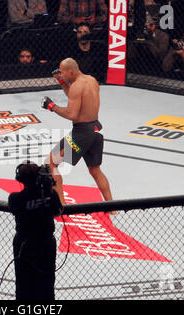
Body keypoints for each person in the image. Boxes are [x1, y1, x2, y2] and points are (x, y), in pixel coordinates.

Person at [41, 58, 115, 214]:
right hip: (96, 128)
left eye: (62, 72)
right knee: (95, 170)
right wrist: (62, 82)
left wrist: (51, 106)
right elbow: (76, 98)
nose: (60, 73)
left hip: (82, 132)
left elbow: (72, 113)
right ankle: (112, 208)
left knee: (50, 164)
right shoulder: (91, 80)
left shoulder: (76, 86)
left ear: (71, 71)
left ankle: (61, 207)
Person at [8, 161, 63, 300]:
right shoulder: (50, 195)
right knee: (47, 283)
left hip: (24, 245)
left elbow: (16, 207)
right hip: (46, 244)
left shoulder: (16, 198)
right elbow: (58, 211)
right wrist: (48, 191)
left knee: (23, 284)